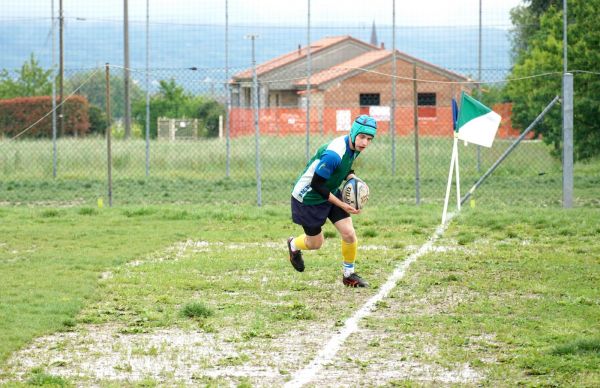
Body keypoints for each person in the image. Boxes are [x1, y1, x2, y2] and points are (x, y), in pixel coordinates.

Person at [286, 114, 376, 287]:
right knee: (315, 243)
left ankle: (348, 274)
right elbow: (317, 185)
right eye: (362, 137)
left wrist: (352, 178)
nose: (365, 142)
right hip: (308, 198)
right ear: (354, 133)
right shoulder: (334, 154)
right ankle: (293, 245)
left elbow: (344, 167)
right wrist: (343, 204)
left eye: (369, 139)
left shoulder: (354, 146)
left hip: (330, 190)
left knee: (349, 233)